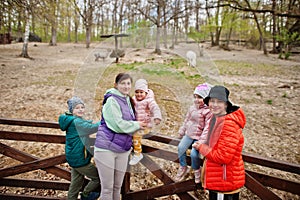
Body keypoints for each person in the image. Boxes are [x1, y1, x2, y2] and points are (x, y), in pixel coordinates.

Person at [94, 73, 147, 200]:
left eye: (128, 83)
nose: (126, 86)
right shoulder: (111, 100)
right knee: (107, 189)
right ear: (116, 85)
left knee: (117, 187)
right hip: (106, 149)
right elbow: (117, 124)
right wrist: (137, 124)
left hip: (123, 149)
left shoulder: (128, 100)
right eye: (122, 83)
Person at [192, 85, 246, 200]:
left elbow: (223, 156)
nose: (215, 105)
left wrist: (201, 148)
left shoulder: (228, 124)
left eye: (219, 101)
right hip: (219, 179)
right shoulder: (216, 119)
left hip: (224, 182)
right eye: (212, 101)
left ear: (226, 104)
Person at [58, 96, 100, 200]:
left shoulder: (72, 120)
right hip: (80, 158)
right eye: (77, 108)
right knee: (98, 178)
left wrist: (88, 122)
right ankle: (85, 195)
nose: (80, 109)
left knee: (76, 183)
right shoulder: (76, 122)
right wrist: (105, 121)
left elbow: (84, 125)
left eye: (82, 107)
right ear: (72, 111)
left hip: (73, 157)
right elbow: (91, 128)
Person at [175, 83, 213, 183]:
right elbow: (187, 120)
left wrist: (201, 142)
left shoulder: (208, 111)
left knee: (194, 154)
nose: (196, 100)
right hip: (189, 134)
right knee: (181, 148)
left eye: (200, 97)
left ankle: (197, 170)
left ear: (206, 98)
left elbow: (207, 128)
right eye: (195, 97)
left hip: (199, 137)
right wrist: (182, 130)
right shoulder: (192, 108)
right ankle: (183, 166)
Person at [129, 78, 162, 165]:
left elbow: (155, 108)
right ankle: (129, 147)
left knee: (136, 135)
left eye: (141, 92)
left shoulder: (149, 101)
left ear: (146, 93)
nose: (139, 94)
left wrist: (157, 117)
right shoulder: (133, 99)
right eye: (137, 92)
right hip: (136, 123)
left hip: (146, 125)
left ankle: (138, 154)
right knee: (127, 132)